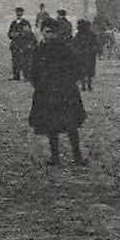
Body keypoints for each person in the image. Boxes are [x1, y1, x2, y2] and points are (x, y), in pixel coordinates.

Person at [29, 21, 87, 165]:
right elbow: (33, 71)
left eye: (51, 32)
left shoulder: (65, 49)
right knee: (51, 126)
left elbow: (77, 68)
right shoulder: (39, 50)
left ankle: (77, 156)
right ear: (42, 32)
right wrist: (39, 85)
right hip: (47, 93)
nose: (49, 35)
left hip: (65, 93)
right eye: (46, 32)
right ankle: (55, 157)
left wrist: (67, 83)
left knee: (71, 125)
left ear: (56, 33)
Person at [7, 7, 36, 81]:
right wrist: (11, 35)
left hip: (23, 44)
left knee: (24, 61)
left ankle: (26, 76)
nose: (18, 14)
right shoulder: (13, 23)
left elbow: (28, 33)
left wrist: (18, 34)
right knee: (15, 61)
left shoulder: (25, 23)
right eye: (17, 12)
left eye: (20, 12)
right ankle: (16, 76)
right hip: (15, 45)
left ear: (22, 13)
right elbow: (9, 34)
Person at [73, 18, 100, 91]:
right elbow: (95, 44)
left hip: (81, 54)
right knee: (89, 71)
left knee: (82, 70)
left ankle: (84, 85)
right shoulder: (91, 34)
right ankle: (88, 85)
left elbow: (74, 44)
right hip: (89, 54)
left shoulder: (78, 34)